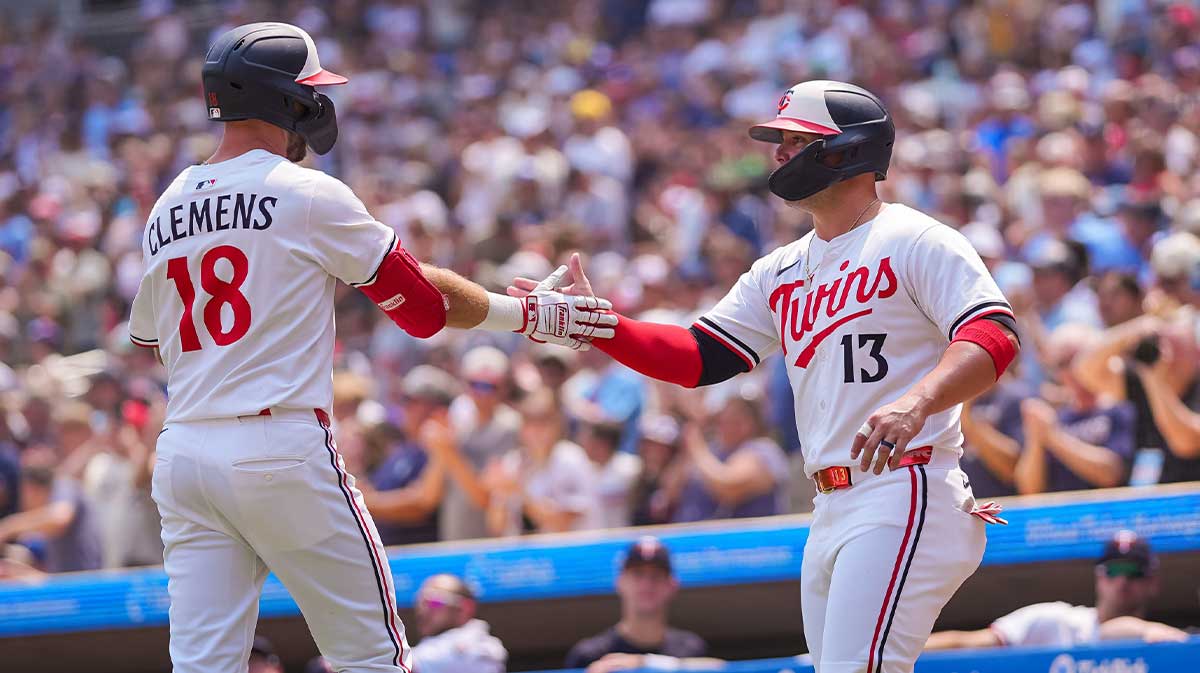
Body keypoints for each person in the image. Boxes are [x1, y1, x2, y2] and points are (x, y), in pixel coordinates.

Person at [128, 23, 615, 673]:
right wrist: (530, 312)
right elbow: (420, 308)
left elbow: (150, 337)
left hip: (185, 451)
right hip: (279, 441)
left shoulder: (165, 208)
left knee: (203, 666)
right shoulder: (303, 191)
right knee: (372, 659)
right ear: (288, 99)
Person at [515, 80, 1019, 673]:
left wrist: (920, 399)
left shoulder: (915, 238)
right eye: (778, 140)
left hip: (906, 485)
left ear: (846, 150)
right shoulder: (779, 269)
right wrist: (600, 327)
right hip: (830, 502)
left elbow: (993, 335)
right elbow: (700, 356)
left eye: (794, 139)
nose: (780, 152)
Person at [925, 531, 1188, 650]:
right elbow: (971, 643)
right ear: (1099, 577)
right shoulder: (1053, 620)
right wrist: (896, 653)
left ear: (1153, 582)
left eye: (1133, 572)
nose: (1122, 581)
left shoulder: (1164, 644)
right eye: (1114, 571)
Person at [1015, 324, 1136, 494]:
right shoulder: (1055, 418)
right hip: (1063, 517)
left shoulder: (1119, 408)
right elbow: (1029, 488)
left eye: (1075, 360)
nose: (1070, 371)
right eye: (1062, 364)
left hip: (1110, 516)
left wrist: (1052, 436)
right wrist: (1036, 439)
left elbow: (1111, 474)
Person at [566, 537, 712, 672]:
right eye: (638, 574)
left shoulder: (690, 647)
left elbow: (718, 667)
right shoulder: (590, 654)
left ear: (672, 586)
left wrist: (646, 663)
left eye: (656, 576)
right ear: (620, 582)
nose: (647, 584)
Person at [485, 388, 601, 535]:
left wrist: (518, 492)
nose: (536, 430)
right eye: (529, 422)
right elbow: (496, 528)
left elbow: (562, 523)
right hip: (526, 556)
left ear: (557, 424)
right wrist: (499, 493)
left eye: (543, 422)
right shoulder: (513, 462)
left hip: (570, 554)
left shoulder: (571, 459)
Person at [440, 346, 521, 541]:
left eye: (489, 386)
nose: (480, 393)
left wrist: (448, 452)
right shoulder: (460, 421)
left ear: (503, 387)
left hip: (491, 542)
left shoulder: (510, 425)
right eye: (474, 384)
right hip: (456, 535)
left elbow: (486, 496)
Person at [672, 391, 790, 523]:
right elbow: (671, 493)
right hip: (691, 535)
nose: (727, 422)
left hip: (748, 540)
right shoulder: (713, 450)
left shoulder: (764, 450)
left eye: (737, 417)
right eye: (725, 417)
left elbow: (729, 487)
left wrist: (697, 449)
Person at [0, 461, 103, 573]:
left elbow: (60, 518)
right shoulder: (50, 504)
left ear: (31, 489)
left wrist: (10, 526)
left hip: (86, 582)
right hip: (68, 581)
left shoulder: (64, 486)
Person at [410, 574, 507, 673]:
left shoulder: (475, 644)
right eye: (421, 602)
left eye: (434, 602)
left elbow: (403, 664)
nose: (423, 610)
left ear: (464, 608)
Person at [579, 417, 642, 529]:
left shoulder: (630, 467)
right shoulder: (581, 467)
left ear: (602, 444)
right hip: (590, 538)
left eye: (590, 440)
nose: (585, 444)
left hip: (620, 537)